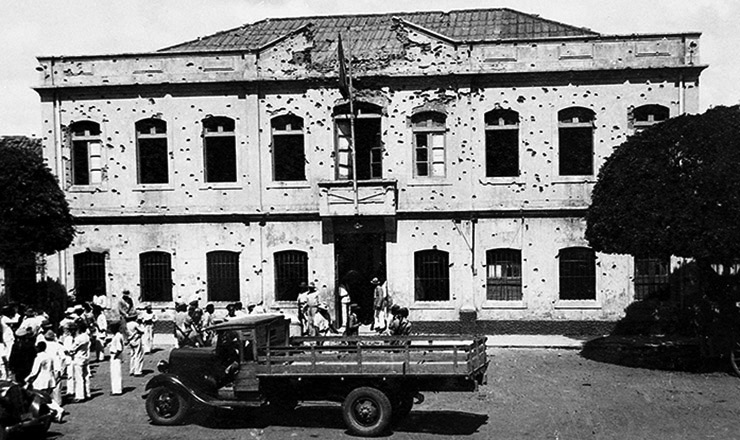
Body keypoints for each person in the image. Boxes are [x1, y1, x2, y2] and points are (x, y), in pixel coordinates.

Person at [25, 341, 65, 422]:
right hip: (50, 379)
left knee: (41, 398)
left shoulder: (38, 358)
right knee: (48, 397)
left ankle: (57, 410)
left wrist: (27, 379)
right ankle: (56, 410)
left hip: (41, 381)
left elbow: (34, 372)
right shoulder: (49, 356)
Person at [70, 320, 91, 402]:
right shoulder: (86, 336)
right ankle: (87, 393)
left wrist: (70, 351)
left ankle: (80, 396)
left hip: (78, 358)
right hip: (85, 357)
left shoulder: (78, 338)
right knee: (86, 376)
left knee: (79, 378)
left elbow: (72, 349)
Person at [109, 322, 124, 395]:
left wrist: (115, 356)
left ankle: (117, 390)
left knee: (116, 373)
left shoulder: (117, 337)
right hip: (115, 355)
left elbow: (119, 349)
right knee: (115, 373)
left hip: (115, 355)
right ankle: (115, 389)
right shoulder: (117, 335)